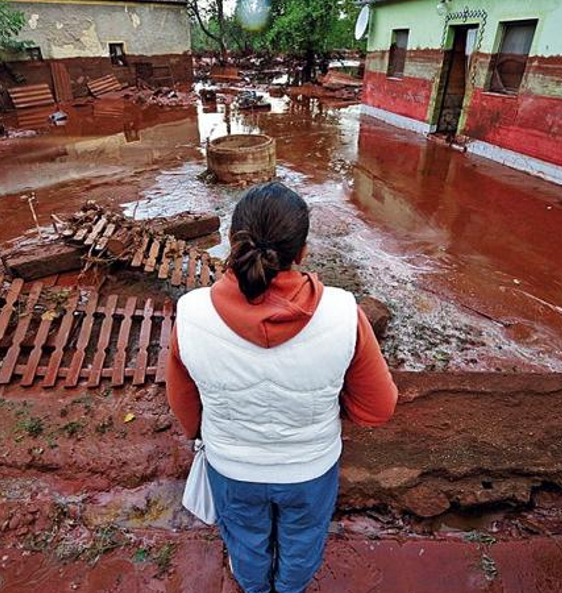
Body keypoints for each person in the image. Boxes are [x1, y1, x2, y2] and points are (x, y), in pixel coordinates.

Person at [166, 181, 399, 593]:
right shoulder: (345, 313)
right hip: (311, 467)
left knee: (244, 538)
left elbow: (184, 406)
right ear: (302, 251)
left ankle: (255, 587)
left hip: (231, 467)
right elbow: (378, 408)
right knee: (303, 540)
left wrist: (202, 432)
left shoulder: (190, 312)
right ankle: (290, 588)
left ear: (231, 244)